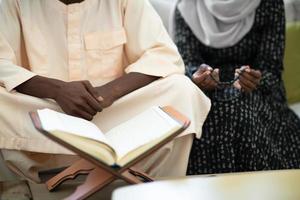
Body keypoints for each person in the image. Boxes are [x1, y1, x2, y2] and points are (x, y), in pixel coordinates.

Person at [0, 0, 211, 182]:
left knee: (181, 89)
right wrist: (58, 91)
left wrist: (108, 93)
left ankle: (156, 187)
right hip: (42, 119)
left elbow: (163, 56)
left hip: (112, 119)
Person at [171, 0, 300, 175]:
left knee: (237, 107)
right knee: (211, 112)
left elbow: (272, 68)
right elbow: (187, 66)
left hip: (260, 95)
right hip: (205, 96)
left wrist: (256, 79)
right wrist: (199, 77)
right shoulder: (187, 6)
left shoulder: (269, 3)